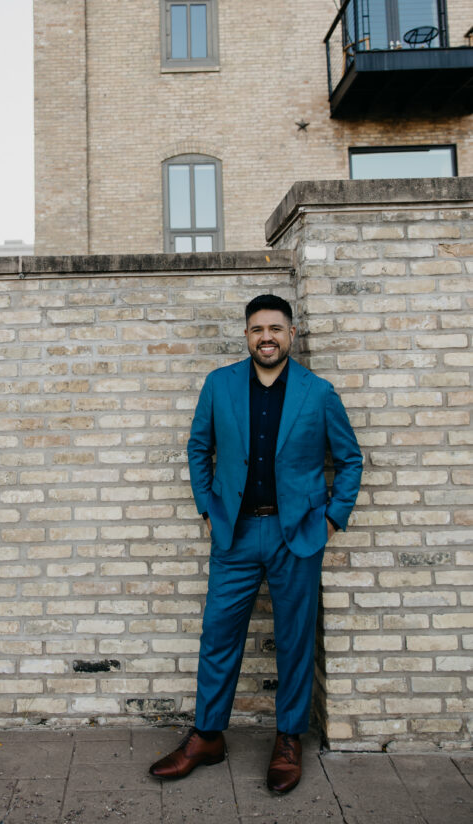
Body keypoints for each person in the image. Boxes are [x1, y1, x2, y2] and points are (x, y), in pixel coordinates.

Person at [149, 294, 363, 793]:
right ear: (246, 335)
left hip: (298, 537)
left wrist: (331, 519)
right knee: (218, 636)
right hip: (236, 533)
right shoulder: (220, 385)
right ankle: (206, 736)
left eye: (275, 328)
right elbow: (199, 446)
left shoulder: (319, 392)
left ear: (292, 333)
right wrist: (207, 508)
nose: (266, 336)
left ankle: (289, 740)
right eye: (256, 329)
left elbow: (350, 460)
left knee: (293, 640)